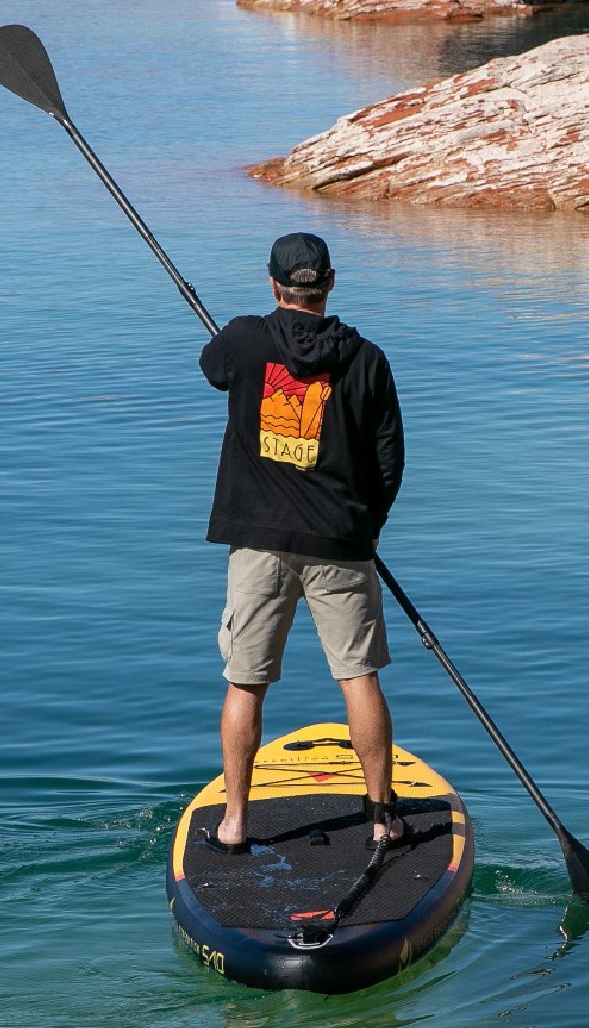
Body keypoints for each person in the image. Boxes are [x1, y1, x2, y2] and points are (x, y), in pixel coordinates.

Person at [198, 232, 405, 852]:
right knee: (359, 677)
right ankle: (379, 816)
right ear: (330, 284)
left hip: (259, 542)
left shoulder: (243, 338)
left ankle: (235, 822)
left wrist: (248, 344)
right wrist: (367, 528)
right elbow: (390, 461)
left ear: (273, 284)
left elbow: (213, 369)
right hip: (341, 542)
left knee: (245, 680)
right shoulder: (366, 358)